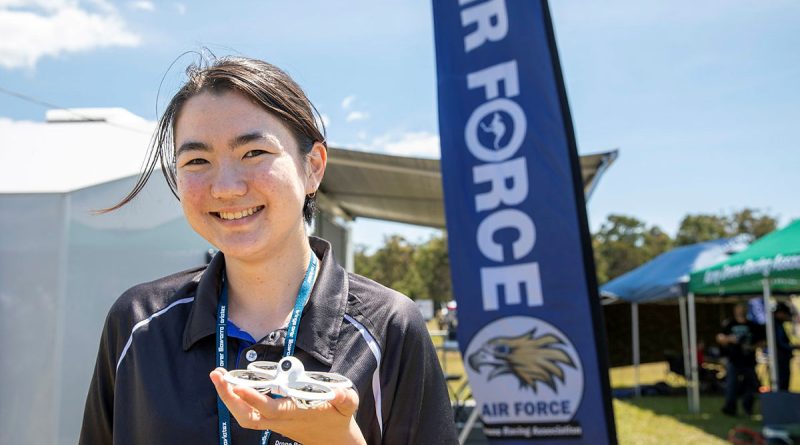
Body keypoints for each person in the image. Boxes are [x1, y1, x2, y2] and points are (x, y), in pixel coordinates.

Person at [79, 55, 458, 445]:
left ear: (312, 166)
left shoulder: (388, 327)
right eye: (197, 160)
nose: (226, 187)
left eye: (253, 153)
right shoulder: (138, 323)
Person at [717, 303, 765, 416]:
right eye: (738, 309)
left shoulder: (752, 325)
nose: (740, 311)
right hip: (734, 360)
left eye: (742, 309)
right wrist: (730, 339)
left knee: (750, 386)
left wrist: (752, 347)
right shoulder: (729, 324)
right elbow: (719, 337)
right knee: (731, 385)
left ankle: (748, 408)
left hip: (749, 361)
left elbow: (762, 342)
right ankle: (730, 408)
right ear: (734, 310)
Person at [773, 302, 797, 391]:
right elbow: (780, 343)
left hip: (782, 357)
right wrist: (794, 347)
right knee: (782, 382)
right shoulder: (776, 325)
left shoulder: (779, 324)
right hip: (781, 358)